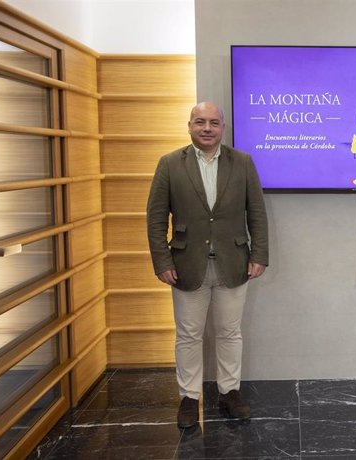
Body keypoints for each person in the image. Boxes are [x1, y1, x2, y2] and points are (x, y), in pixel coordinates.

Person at [146, 101, 268, 428]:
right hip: (186, 265)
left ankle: (230, 392)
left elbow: (256, 212)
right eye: (200, 122)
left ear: (223, 128)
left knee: (229, 332)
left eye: (214, 122)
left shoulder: (242, 163)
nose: (207, 128)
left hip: (234, 263)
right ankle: (189, 398)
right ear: (189, 125)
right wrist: (162, 260)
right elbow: (156, 218)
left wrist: (259, 255)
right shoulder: (170, 164)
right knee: (189, 334)